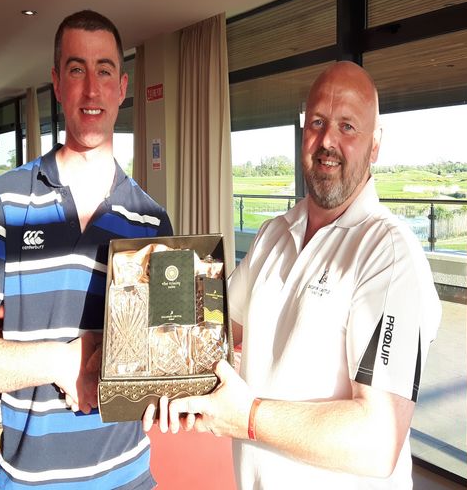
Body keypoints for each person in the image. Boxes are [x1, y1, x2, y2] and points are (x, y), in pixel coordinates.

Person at [147, 62, 442, 489]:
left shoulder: (390, 254)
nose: (328, 142)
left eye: (348, 127)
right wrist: (149, 305)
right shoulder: (273, 234)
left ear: (375, 146)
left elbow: (379, 440)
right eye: (318, 123)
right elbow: (215, 330)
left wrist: (247, 417)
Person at [0, 10, 173, 489]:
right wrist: (61, 361)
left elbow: (164, 358)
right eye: (76, 69)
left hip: (130, 475)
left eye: (104, 70)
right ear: (56, 83)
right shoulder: (6, 198)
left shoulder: (152, 221)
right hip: (31, 480)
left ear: (123, 86)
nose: (92, 89)